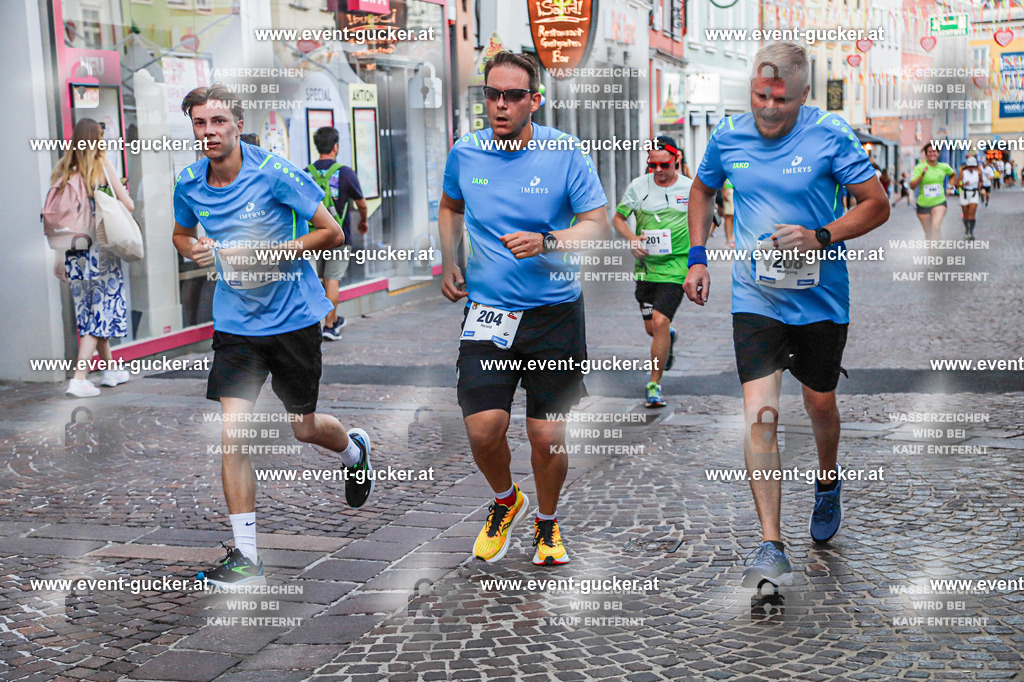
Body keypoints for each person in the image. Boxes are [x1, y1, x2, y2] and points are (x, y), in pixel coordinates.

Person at [683, 42, 890, 588]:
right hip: (757, 299)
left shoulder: (831, 134)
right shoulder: (728, 135)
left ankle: (827, 479)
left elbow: (876, 204)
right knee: (761, 417)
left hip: (821, 299)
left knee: (819, 401)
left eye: (781, 99)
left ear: (803, 95)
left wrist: (819, 235)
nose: (769, 109)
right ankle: (771, 544)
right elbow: (701, 190)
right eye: (760, 96)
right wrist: (698, 257)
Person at [171, 85, 374, 590]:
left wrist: (276, 252)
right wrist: (195, 247)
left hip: (293, 318)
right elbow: (180, 232)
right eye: (200, 123)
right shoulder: (190, 182)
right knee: (233, 434)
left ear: (238, 124)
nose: (210, 131)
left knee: (303, 428)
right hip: (237, 326)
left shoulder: (276, 172)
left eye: (219, 121)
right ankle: (246, 560)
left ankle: (354, 451)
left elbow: (332, 233)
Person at [438, 51, 609, 567]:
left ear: (535, 100)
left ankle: (548, 525)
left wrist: (549, 240)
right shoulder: (465, 153)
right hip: (489, 313)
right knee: (483, 428)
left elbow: (597, 223)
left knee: (546, 434)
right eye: (492, 94)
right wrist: (449, 261)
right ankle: (507, 501)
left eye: (514, 95)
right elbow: (450, 205)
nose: (501, 104)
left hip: (553, 312)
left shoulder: (565, 153)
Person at [49, 118, 133, 397]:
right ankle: (80, 378)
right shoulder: (102, 167)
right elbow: (129, 206)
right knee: (100, 314)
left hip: (74, 253)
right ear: (98, 140)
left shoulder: (63, 171)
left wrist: (59, 259)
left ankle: (110, 370)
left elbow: (64, 222)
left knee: (91, 314)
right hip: (101, 253)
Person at [612, 135, 693, 408]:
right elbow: (618, 218)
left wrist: (698, 254)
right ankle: (668, 338)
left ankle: (654, 384)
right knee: (654, 329)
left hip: (677, 268)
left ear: (676, 160)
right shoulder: (639, 186)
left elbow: (709, 220)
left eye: (664, 165)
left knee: (659, 321)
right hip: (646, 269)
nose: (658, 171)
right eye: (652, 165)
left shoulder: (691, 188)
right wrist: (632, 240)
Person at [306, 126, 369, 341]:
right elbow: (361, 203)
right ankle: (330, 325)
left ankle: (331, 318)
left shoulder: (307, 173)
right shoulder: (345, 172)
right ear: (336, 147)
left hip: (315, 237)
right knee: (332, 280)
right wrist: (363, 221)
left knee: (324, 279)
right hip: (338, 237)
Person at [910, 144, 957, 240]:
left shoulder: (944, 167)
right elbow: (912, 186)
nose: (932, 154)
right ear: (926, 154)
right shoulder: (920, 168)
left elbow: (953, 175)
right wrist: (922, 175)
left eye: (934, 151)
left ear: (938, 153)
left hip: (939, 202)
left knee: (936, 227)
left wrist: (949, 187)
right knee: (929, 233)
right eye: (929, 152)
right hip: (923, 204)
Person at [957, 157, 982, 240]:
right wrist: (963, 184)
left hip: (974, 193)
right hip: (965, 193)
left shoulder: (978, 173)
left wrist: (979, 185)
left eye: (973, 166)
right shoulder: (963, 173)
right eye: (970, 166)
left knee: (972, 213)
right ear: (967, 166)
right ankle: (966, 229)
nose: (971, 168)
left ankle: (971, 232)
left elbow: (981, 181)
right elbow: (957, 184)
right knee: (966, 214)